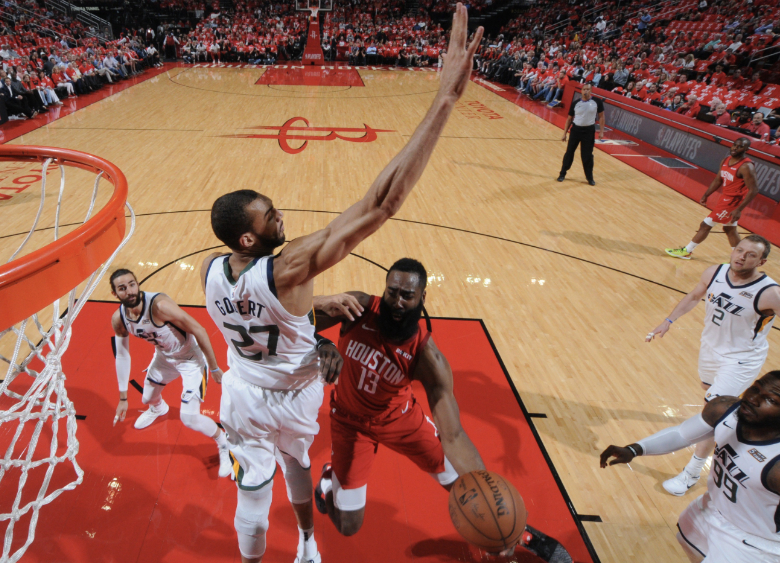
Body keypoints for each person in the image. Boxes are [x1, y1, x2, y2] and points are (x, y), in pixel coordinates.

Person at [199, 7, 483, 563]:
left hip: (239, 395)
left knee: (251, 500)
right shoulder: (288, 269)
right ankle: (307, 543)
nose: (280, 217)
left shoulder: (209, 269)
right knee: (297, 466)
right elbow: (381, 204)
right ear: (251, 242)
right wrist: (444, 100)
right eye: (270, 217)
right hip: (292, 398)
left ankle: (277, 548)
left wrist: (312, 318)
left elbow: (263, 317)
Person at [310, 260, 573, 561]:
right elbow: (292, 319)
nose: (397, 302)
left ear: (422, 298)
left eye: (407, 295)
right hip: (349, 421)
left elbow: (454, 434)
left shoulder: (428, 357)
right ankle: (329, 480)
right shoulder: (357, 308)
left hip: (400, 421)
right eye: (392, 291)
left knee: (463, 485)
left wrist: (490, 503)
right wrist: (321, 344)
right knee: (347, 526)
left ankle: (519, 533)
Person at [647, 234, 780, 496]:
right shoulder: (714, 272)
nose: (741, 256)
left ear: (761, 261)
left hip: (741, 358)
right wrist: (668, 321)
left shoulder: (770, 293)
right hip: (710, 349)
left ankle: (692, 472)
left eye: (750, 254)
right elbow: (695, 295)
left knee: (713, 411)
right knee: (707, 394)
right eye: (739, 250)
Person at [600, 372, 780, 562]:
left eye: (770, 399)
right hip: (711, 508)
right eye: (755, 388)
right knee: (689, 548)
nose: (752, 399)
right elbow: (682, 434)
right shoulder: (725, 409)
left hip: (756, 543)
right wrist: (635, 449)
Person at [109, 270, 232, 478]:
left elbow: (199, 330)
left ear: (137, 283)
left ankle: (223, 443)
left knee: (190, 418)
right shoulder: (120, 318)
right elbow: (122, 355)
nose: (129, 291)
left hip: (190, 360)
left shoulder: (159, 306)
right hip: (164, 358)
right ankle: (159, 409)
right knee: (147, 398)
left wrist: (213, 368)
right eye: (122, 288)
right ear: (114, 293)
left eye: (132, 284)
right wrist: (122, 397)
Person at [667, 138, 758, 259]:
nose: (735, 148)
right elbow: (718, 180)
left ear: (746, 149)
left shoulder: (746, 166)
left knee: (705, 225)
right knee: (729, 229)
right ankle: (739, 259)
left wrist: (739, 209)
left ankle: (687, 251)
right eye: (734, 145)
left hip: (733, 202)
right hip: (725, 198)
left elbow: (754, 190)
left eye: (740, 146)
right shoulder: (726, 160)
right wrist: (706, 194)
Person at [557, 83, 604, 186]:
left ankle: (589, 177)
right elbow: (569, 118)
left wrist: (601, 131)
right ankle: (562, 173)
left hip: (589, 131)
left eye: (587, 89)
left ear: (591, 91)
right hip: (576, 130)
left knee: (587, 155)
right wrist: (564, 133)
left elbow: (601, 116)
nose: (585, 91)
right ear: (581, 91)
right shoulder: (575, 103)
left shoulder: (597, 102)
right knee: (569, 152)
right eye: (584, 89)